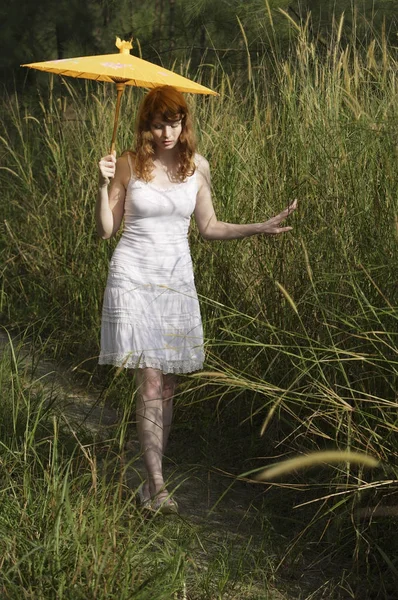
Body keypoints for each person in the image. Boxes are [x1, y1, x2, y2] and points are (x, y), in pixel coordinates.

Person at [97, 85, 297, 514]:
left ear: (184, 122)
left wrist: (256, 227)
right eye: (157, 124)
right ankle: (156, 484)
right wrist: (103, 184)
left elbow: (208, 227)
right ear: (145, 126)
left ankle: (151, 485)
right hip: (133, 277)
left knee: (167, 387)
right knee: (150, 381)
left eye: (173, 122)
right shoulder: (129, 165)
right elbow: (105, 230)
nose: (166, 131)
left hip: (176, 283)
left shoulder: (197, 168)